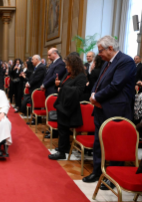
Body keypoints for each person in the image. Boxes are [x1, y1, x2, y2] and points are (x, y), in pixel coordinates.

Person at [83, 36, 136, 191]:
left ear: (110, 48)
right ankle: (97, 172)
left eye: (100, 51)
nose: (99, 54)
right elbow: (99, 83)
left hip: (116, 109)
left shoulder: (125, 61)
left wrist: (96, 97)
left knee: (115, 144)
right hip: (101, 108)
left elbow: (116, 85)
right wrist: (94, 94)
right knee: (99, 142)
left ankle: (114, 178)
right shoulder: (107, 63)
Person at [48, 54, 87, 160]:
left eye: (68, 65)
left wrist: (63, 89)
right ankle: (63, 148)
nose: (66, 67)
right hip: (63, 105)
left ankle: (61, 152)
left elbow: (79, 91)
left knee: (64, 130)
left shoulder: (81, 76)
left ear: (74, 65)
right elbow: (65, 86)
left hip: (70, 107)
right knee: (62, 129)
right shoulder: (69, 74)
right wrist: (61, 86)